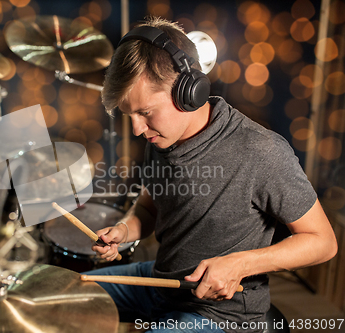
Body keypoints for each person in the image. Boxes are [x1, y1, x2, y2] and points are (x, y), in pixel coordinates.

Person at [88, 17, 338, 333]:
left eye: (145, 113)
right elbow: (152, 206)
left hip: (221, 313)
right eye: (130, 115)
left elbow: (323, 242)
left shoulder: (261, 151)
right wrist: (124, 230)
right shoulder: (161, 137)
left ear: (187, 91)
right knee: (59, 293)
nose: (137, 128)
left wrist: (240, 263)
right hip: (163, 283)